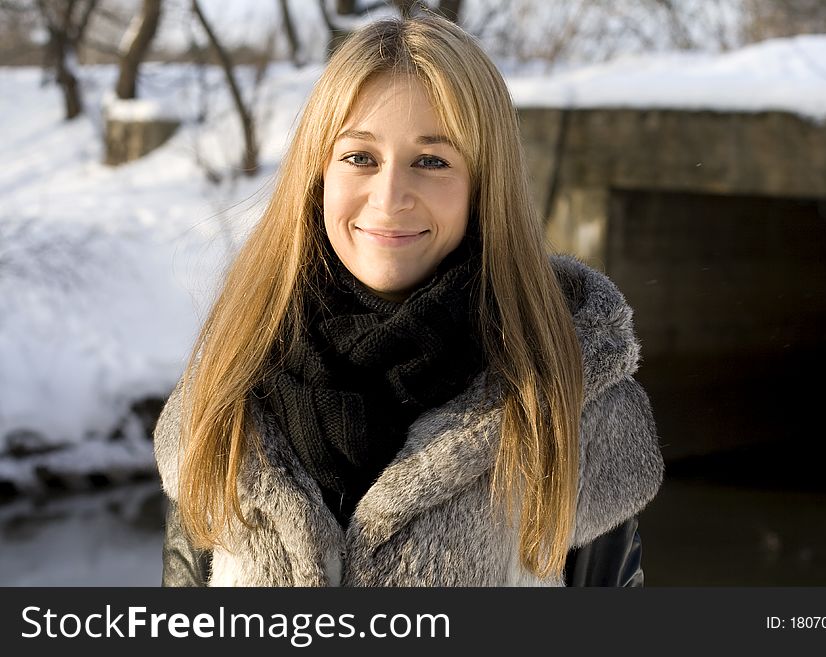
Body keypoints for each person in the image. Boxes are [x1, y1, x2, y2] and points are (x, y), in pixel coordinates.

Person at [154, 13, 664, 587]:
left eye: (432, 161)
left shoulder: (570, 398)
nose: (390, 196)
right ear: (317, 173)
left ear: (484, 184)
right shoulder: (224, 389)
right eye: (360, 157)